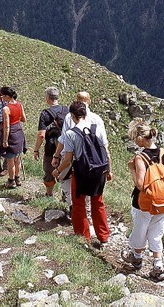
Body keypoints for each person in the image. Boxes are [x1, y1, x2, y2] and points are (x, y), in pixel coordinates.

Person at [121, 118, 164, 281]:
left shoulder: (140, 158)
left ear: (140, 138)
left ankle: (136, 259)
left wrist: (132, 169)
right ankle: (158, 266)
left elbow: (139, 185)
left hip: (144, 203)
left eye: (134, 138)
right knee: (156, 234)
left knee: (140, 230)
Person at [53, 101, 111, 245]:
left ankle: (83, 236)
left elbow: (67, 159)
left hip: (81, 171)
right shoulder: (96, 128)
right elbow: (105, 150)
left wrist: (58, 171)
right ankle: (103, 237)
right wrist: (108, 169)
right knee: (98, 203)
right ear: (85, 113)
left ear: (72, 116)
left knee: (78, 204)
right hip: (98, 170)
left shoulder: (70, 134)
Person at [53, 91, 111, 206]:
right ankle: (87, 211)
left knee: (67, 182)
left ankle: (72, 207)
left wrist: (56, 155)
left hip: (73, 158)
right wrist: (108, 167)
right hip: (94, 160)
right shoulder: (97, 119)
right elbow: (104, 145)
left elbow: (63, 139)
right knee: (91, 189)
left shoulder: (70, 117)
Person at [33, 86, 68, 196]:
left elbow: (41, 135)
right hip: (66, 147)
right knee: (66, 171)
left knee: (49, 170)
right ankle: (66, 195)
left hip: (51, 147)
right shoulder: (66, 110)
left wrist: (36, 149)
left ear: (47, 98)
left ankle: (49, 194)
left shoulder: (45, 113)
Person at [0, 86, 27, 188]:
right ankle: (17, 178)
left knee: (10, 160)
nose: (2, 97)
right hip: (19, 132)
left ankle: (11, 181)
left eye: (3, 96)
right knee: (18, 159)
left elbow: (7, 127)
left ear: (7, 96)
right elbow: (24, 119)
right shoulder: (19, 104)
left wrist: (5, 141)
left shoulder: (6, 108)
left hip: (11, 134)